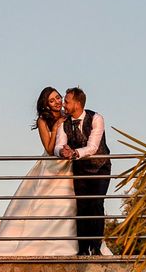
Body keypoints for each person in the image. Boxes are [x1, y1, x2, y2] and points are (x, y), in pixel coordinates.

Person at [0, 87, 78, 256]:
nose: (57, 102)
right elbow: (50, 149)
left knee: (69, 204)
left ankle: (69, 245)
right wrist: (57, 126)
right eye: (52, 100)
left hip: (69, 164)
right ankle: (36, 246)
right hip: (51, 166)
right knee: (43, 204)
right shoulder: (43, 121)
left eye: (58, 98)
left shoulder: (69, 115)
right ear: (46, 105)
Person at [55, 87, 111, 256]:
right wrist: (61, 151)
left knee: (96, 204)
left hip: (101, 167)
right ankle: (82, 249)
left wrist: (75, 153)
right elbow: (59, 143)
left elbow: (93, 147)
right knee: (82, 206)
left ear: (77, 103)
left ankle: (96, 246)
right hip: (80, 168)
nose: (64, 104)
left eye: (67, 101)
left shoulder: (96, 118)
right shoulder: (64, 124)